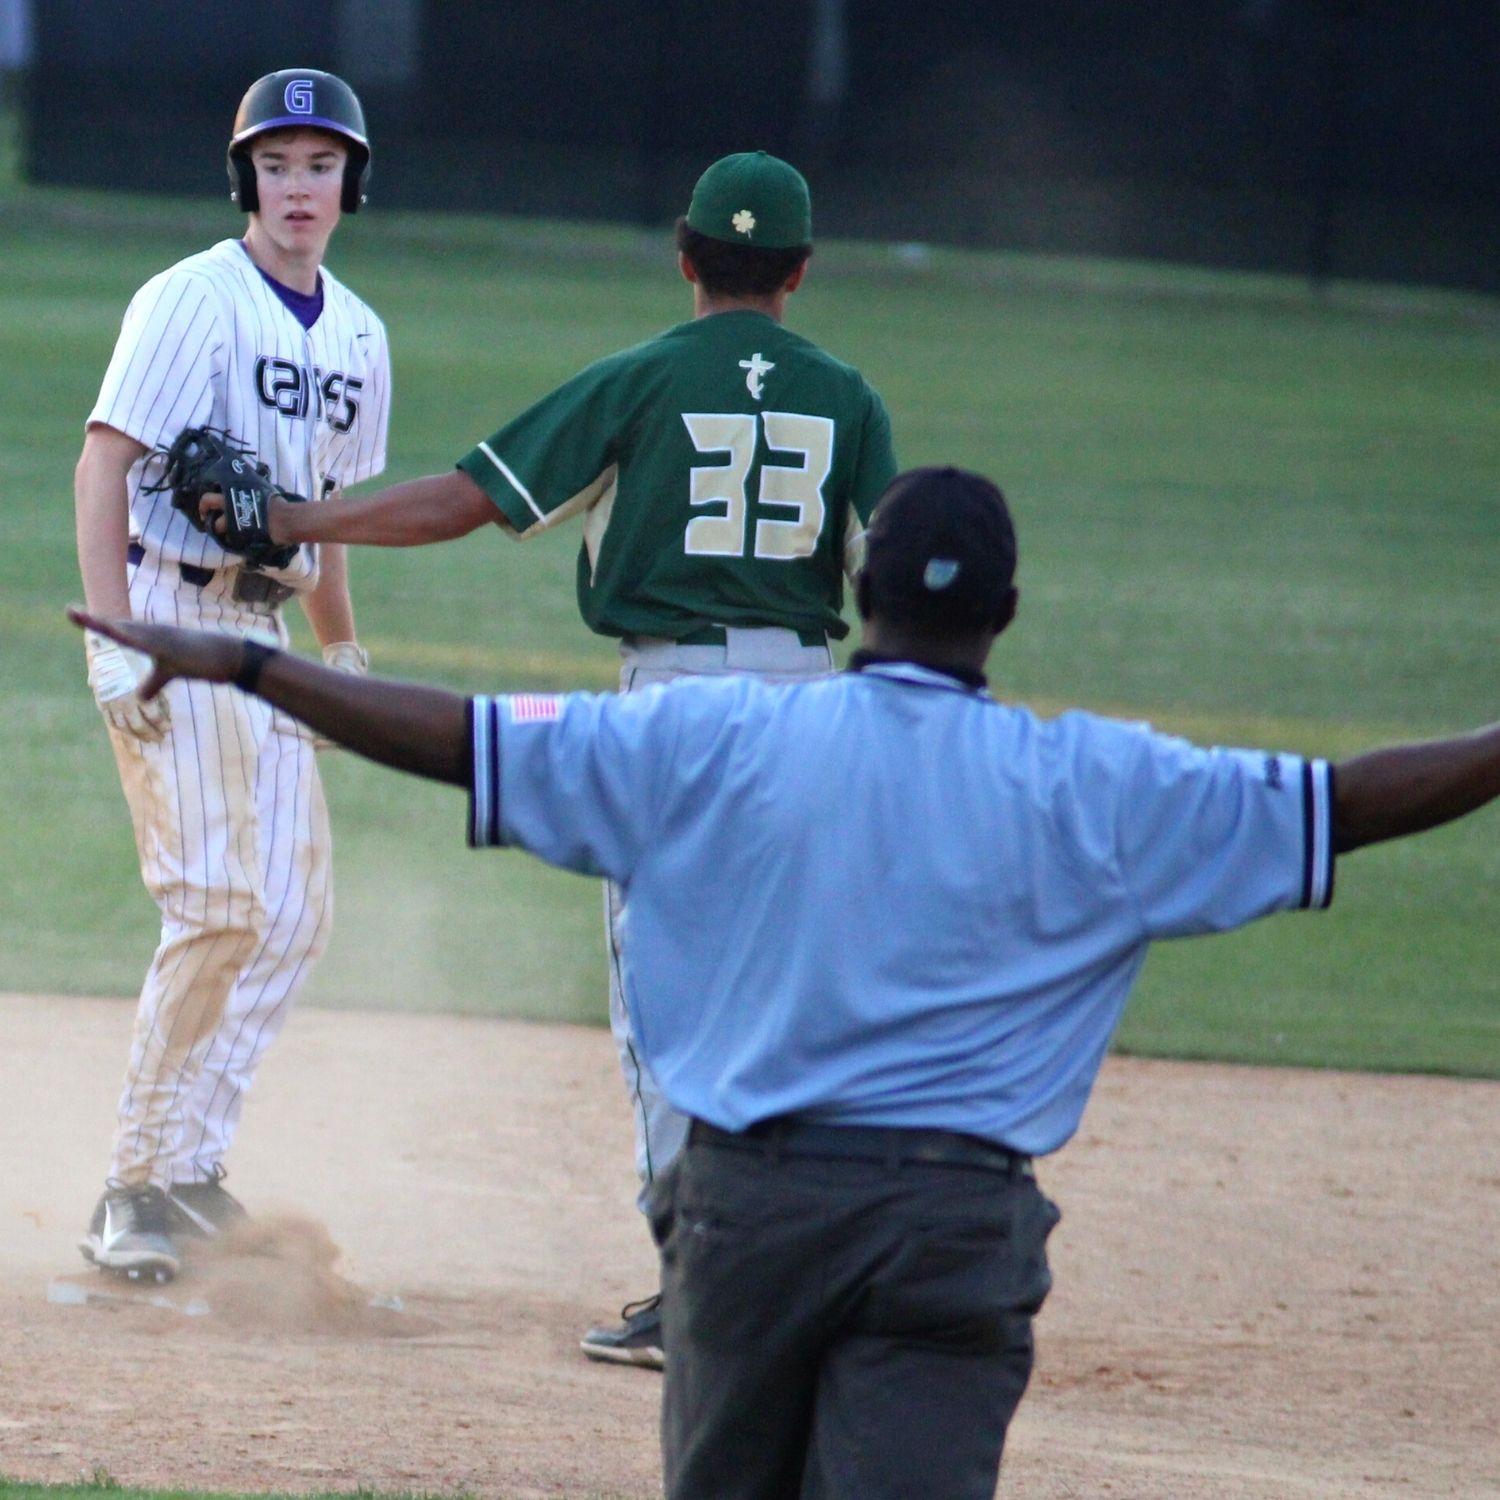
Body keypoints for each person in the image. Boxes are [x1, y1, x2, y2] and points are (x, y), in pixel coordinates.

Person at [71, 465, 1500, 1497]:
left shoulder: (720, 742)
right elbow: (1347, 804)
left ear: (857, 593)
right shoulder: (1097, 784)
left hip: (748, 1219)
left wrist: (248, 665)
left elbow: (464, 737)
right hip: (952, 1231)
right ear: (1007, 611)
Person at [220, 148, 897, 1363]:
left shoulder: (643, 378)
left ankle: (703, 1290)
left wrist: (291, 519)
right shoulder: (848, 398)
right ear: (799, 272)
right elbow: (892, 576)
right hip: (812, 712)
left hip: (674, 713)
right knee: (792, 992)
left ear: (685, 258)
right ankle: (825, 1272)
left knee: (670, 1004)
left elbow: (468, 498)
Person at [72, 67, 391, 1281]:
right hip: (169, 613)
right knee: (215, 904)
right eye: (275, 164)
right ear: (245, 179)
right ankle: (130, 1185)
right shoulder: (191, 299)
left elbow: (326, 516)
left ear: (351, 182)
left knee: (293, 918)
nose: (298, 186)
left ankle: (190, 1169)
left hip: (270, 639)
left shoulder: (359, 334)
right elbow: (105, 465)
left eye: (320, 164)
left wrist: (341, 653)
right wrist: (116, 637)